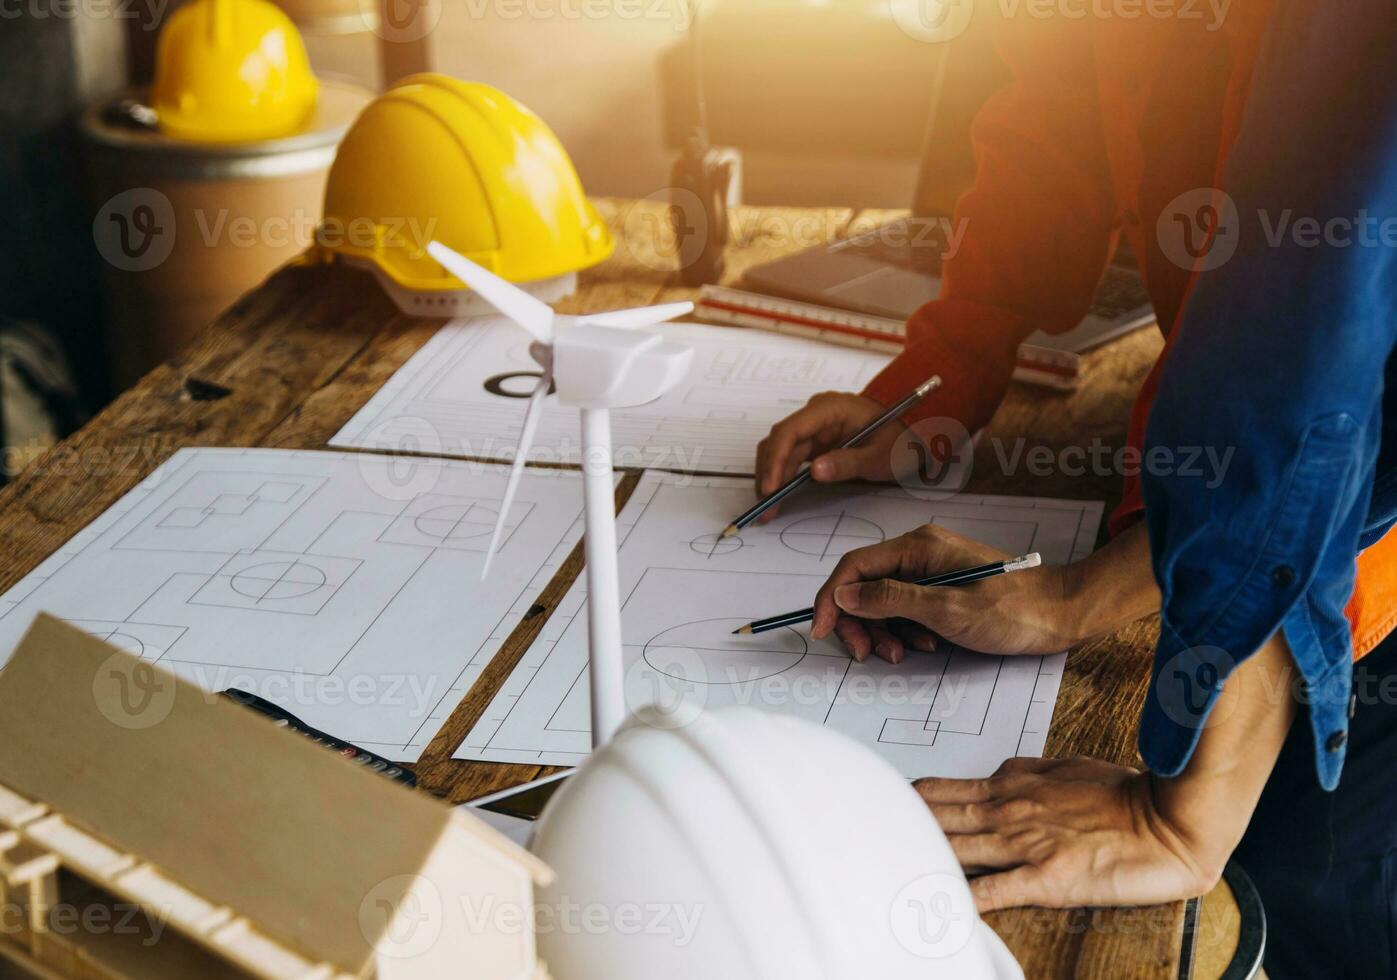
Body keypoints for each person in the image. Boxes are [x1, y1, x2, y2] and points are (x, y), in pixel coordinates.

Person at [754, 2, 1397, 977]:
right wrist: (948, 365)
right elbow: (1058, 101)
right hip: (1258, 465)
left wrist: (1186, 811)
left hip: (1353, 552)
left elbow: (1315, 321)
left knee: (1316, 887)